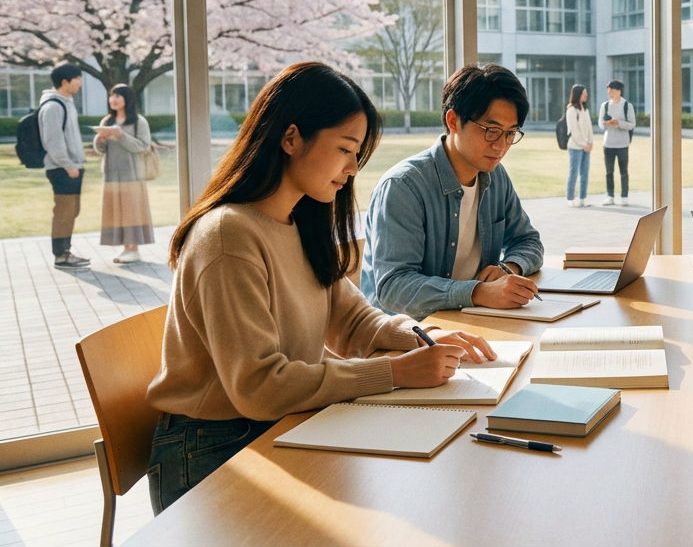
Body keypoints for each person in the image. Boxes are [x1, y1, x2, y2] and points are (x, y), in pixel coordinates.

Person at [145, 62, 497, 513]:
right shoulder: (228, 236)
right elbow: (259, 386)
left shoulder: (299, 220)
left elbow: (352, 319)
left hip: (273, 421)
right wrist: (395, 373)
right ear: (291, 138)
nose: (352, 168)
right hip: (212, 445)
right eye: (346, 149)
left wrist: (419, 338)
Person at [362, 63, 544, 319]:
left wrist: (508, 267)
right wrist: (478, 292)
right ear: (453, 120)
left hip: (469, 320)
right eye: (492, 131)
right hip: (408, 337)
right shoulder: (404, 187)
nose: (501, 146)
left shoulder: (495, 176)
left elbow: (528, 241)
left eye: (510, 133)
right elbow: (393, 287)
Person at [92, 84, 154, 263]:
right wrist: (100, 139)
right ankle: (126, 248)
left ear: (127, 99)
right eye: (112, 96)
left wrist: (121, 136)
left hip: (132, 174)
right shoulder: (107, 121)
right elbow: (101, 150)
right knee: (116, 211)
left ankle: (133, 249)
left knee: (131, 211)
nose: (113, 99)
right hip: (111, 174)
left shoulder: (139, 122)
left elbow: (143, 146)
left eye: (118, 95)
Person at [38, 63, 89, 269]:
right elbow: (53, 142)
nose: (80, 83)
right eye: (77, 78)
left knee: (71, 211)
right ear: (64, 82)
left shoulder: (67, 102)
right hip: (63, 169)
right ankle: (60, 255)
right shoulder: (53, 106)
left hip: (72, 166)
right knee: (64, 212)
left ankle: (64, 251)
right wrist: (68, 165)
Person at [599, 79, 635, 206]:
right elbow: (600, 124)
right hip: (608, 143)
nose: (610, 94)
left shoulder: (627, 106)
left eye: (612, 92)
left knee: (623, 171)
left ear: (619, 91)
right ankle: (610, 196)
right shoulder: (605, 106)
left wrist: (619, 123)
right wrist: (607, 124)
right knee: (609, 171)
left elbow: (632, 124)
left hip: (622, 144)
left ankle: (624, 196)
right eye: (608, 92)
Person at [564, 83, 594, 208]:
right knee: (574, 172)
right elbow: (574, 131)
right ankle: (570, 198)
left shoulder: (584, 109)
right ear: (577, 94)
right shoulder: (571, 110)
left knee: (585, 173)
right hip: (575, 147)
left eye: (586, 93)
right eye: (584, 93)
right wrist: (583, 144)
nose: (586, 95)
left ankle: (582, 198)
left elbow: (589, 128)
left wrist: (590, 142)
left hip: (586, 147)